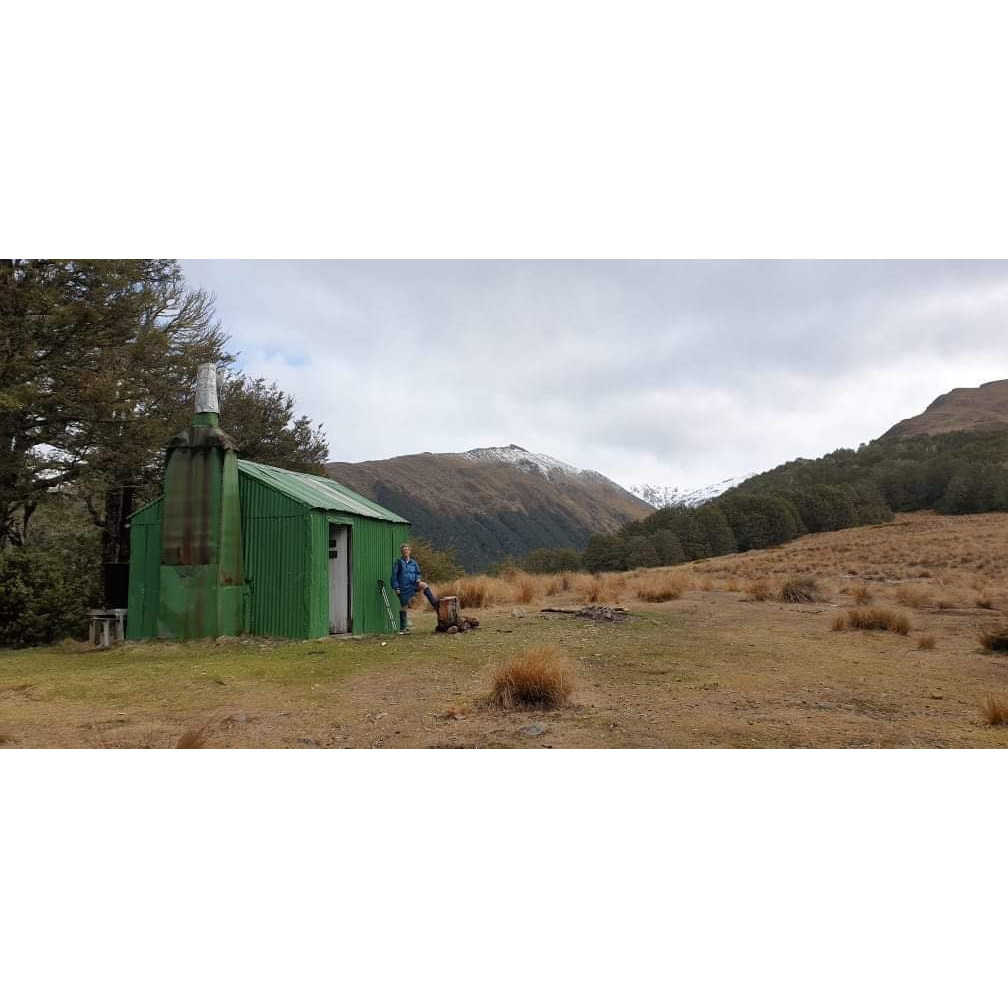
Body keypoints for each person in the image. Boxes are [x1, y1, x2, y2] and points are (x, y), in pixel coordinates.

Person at [391, 543, 439, 633]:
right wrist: (396, 587)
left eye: (407, 550)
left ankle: (434, 603)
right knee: (404, 606)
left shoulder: (413, 562)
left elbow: (418, 573)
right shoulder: (398, 563)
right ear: (402, 552)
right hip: (403, 587)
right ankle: (403, 628)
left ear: (410, 551)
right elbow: (394, 576)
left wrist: (418, 578)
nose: (405, 552)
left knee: (424, 585)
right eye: (404, 550)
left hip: (413, 584)